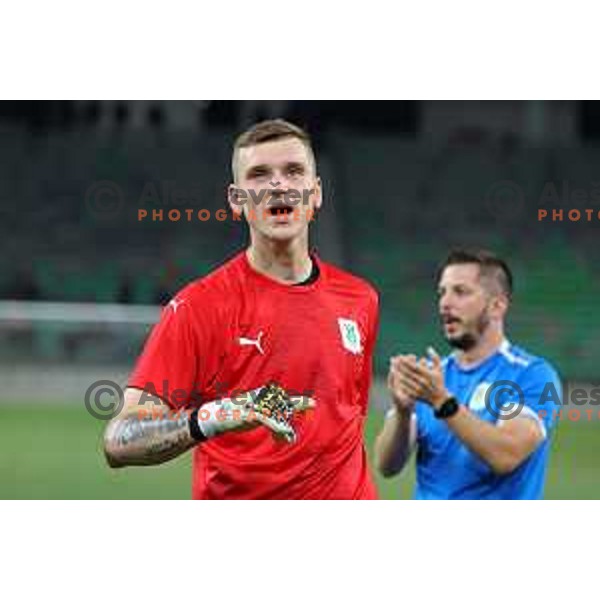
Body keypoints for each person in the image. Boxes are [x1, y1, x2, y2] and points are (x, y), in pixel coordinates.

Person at [103, 119, 380, 500]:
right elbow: (120, 441)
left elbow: (347, 417)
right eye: (260, 175)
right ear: (236, 200)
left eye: (294, 172)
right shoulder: (199, 307)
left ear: (315, 193)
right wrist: (216, 416)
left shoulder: (361, 299)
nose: (279, 185)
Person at [374, 249, 561, 499]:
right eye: (442, 292)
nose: (445, 303)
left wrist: (442, 402)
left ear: (497, 306)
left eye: (460, 292)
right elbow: (386, 466)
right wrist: (403, 412)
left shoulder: (532, 376)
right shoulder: (432, 377)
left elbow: (506, 455)